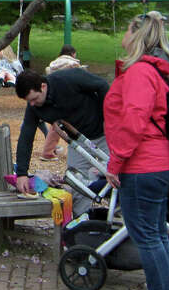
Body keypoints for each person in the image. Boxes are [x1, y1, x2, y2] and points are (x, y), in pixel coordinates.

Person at [103, 11, 169, 290]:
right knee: (156, 232)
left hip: (143, 163)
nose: (122, 36)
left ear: (136, 36)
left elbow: (134, 119)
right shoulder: (155, 71)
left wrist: (116, 161)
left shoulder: (139, 73)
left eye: (126, 30)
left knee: (147, 234)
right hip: (158, 160)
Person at [13, 67, 109, 213]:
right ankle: (83, 223)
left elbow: (101, 85)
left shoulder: (67, 79)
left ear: (43, 86)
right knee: (76, 183)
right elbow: (26, 137)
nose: (31, 104)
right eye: (28, 101)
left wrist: (109, 118)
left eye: (34, 99)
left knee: (119, 178)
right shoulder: (34, 107)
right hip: (78, 142)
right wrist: (21, 173)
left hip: (105, 133)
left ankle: (125, 223)